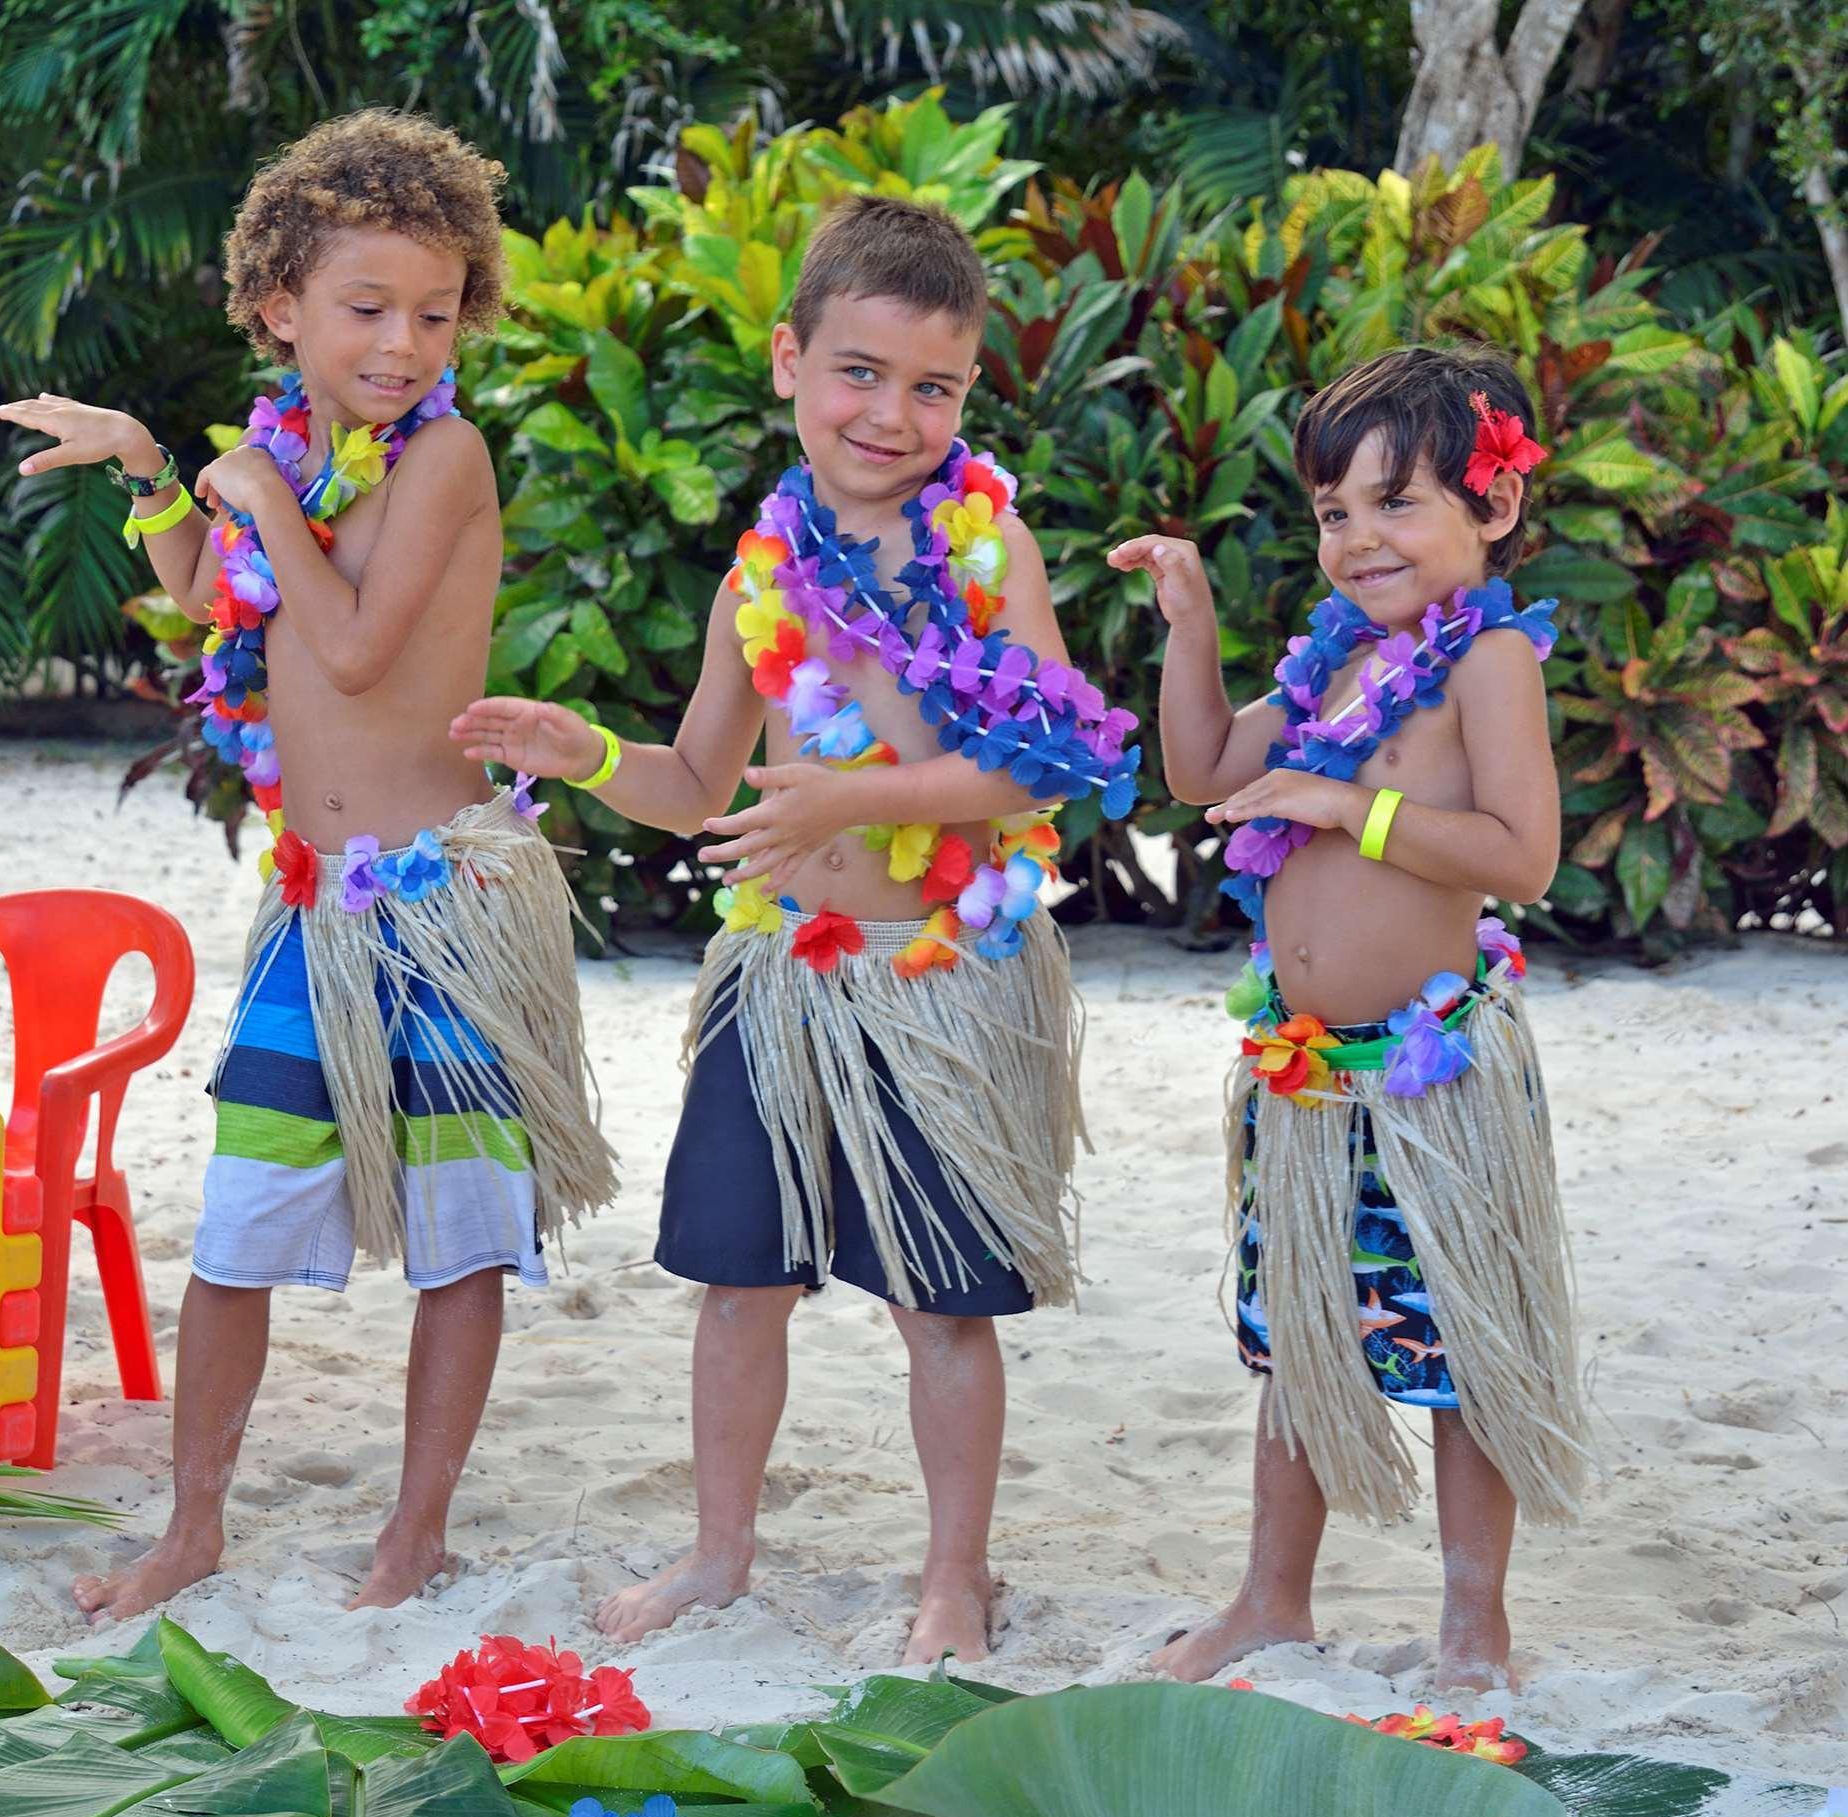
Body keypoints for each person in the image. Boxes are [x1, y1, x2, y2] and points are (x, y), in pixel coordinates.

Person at [456, 195, 1140, 1661]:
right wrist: (580, 750)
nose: (890, 414)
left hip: (940, 977)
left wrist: (853, 795)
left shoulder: (983, 550)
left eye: (932, 386)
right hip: (780, 977)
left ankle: (954, 1574)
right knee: (735, 1282)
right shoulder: (757, 578)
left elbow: (1046, 761)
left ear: (965, 394)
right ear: (789, 359)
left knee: (941, 1307)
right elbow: (696, 782)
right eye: (859, 372)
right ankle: (719, 1550)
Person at [0, 108, 619, 1623]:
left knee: (459, 1241)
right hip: (314, 912)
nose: (401, 342)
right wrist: (158, 466)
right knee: (237, 1230)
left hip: (446, 906)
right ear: (281, 310)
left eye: (431, 311)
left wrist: (255, 489)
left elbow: (347, 642)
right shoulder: (286, 447)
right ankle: (192, 1525)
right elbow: (219, 592)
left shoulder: (445, 456)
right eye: (364, 310)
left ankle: (415, 1531)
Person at [1120, 343, 1592, 1691]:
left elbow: (1521, 857)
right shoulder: (1339, 667)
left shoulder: (1487, 659)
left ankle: (1471, 1629)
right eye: (1335, 511)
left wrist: (1345, 808)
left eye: (1397, 503)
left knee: (1460, 1348)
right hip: (1308, 1080)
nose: (1358, 537)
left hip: (1435, 1082)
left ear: (1489, 508)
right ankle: (1270, 1599)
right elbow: (1203, 765)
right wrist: (1192, 622)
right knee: (1303, 1338)